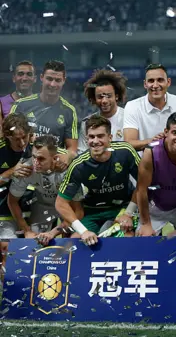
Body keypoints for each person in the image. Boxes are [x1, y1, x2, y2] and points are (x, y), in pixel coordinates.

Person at [56, 115, 141, 245]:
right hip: (93, 211)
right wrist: (83, 231)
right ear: (86, 139)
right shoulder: (79, 165)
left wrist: (128, 213)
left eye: (100, 136)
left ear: (110, 137)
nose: (95, 141)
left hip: (122, 207)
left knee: (126, 237)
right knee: (74, 242)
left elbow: (144, 183)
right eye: (91, 137)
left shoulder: (126, 151)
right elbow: (60, 203)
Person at [8, 135, 81, 245]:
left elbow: (78, 212)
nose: (36, 163)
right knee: (34, 241)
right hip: (42, 204)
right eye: (34, 157)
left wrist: (53, 232)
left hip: (67, 206)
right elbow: (12, 201)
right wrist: (27, 231)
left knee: (72, 240)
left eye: (41, 159)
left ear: (55, 157)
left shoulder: (68, 170)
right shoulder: (26, 169)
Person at [9, 60, 78, 167]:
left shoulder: (69, 110)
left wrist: (66, 158)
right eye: (49, 79)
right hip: (23, 167)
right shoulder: (20, 105)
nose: (52, 84)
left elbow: (72, 150)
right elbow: (7, 137)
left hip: (52, 170)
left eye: (58, 80)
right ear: (41, 78)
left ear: (64, 80)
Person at [123, 63, 176, 151]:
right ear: (145, 84)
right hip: (143, 163)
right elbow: (129, 143)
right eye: (151, 81)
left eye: (160, 80)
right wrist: (153, 141)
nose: (155, 85)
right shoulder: (132, 106)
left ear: (168, 82)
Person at [0, 114, 34, 242]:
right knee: (8, 253)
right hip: (4, 212)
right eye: (16, 139)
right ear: (8, 137)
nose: (21, 143)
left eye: (24, 137)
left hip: (33, 211)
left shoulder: (37, 147)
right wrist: (11, 172)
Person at [79, 69, 127, 152]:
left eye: (108, 96)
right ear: (94, 99)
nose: (104, 101)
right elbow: (82, 152)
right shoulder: (87, 122)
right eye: (100, 97)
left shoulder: (129, 117)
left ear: (116, 96)